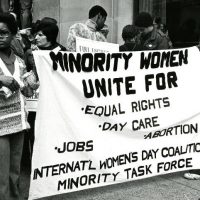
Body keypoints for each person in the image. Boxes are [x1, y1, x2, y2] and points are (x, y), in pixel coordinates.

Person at [0, 12, 35, 200]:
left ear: (13, 34)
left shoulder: (20, 61)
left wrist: (31, 86)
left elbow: (26, 92)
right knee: (1, 176)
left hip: (19, 122)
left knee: (15, 173)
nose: (0, 36)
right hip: (0, 125)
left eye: (4, 33)